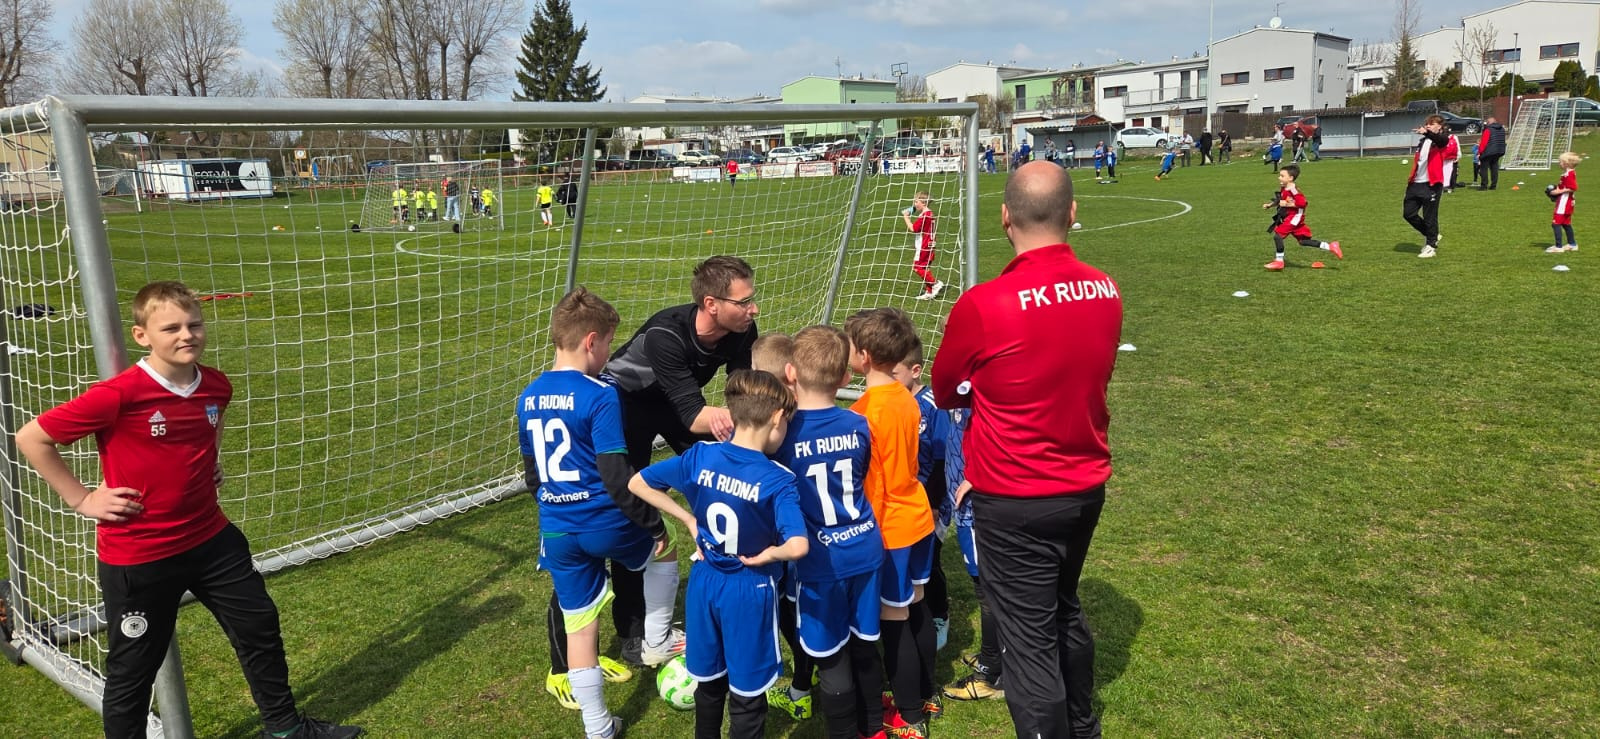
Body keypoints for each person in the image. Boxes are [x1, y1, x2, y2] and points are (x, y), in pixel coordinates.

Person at [14, 281, 364, 739]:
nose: (187, 335)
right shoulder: (120, 394)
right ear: (142, 335)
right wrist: (81, 498)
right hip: (140, 555)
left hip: (211, 540)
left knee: (258, 626)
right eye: (171, 328)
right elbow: (32, 437)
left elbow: (210, 425)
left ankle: (285, 730)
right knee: (133, 670)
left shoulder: (216, 384)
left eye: (194, 325)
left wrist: (210, 460)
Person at [930, 161, 1123, 739]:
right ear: (1072, 213)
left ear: (1005, 217)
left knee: (1027, 641)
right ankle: (1082, 726)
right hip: (1084, 486)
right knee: (1062, 608)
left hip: (1016, 496)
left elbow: (947, 390)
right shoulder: (1105, 287)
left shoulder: (984, 303)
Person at [517, 287, 681, 739]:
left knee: (580, 628)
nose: (609, 353)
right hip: (605, 520)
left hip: (557, 529)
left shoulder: (527, 396)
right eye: (609, 343)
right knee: (666, 546)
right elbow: (615, 474)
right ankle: (656, 640)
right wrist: (652, 525)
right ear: (591, 341)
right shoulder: (600, 394)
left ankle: (598, 729)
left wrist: (557, 512)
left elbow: (533, 478)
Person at [628, 370, 808, 739]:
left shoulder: (700, 455)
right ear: (777, 417)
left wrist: (688, 519)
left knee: (709, 685)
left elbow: (637, 482)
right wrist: (771, 554)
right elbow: (799, 546)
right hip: (749, 589)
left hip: (704, 583)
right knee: (748, 696)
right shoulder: (778, 480)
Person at [602, 256, 758, 663]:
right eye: (743, 302)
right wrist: (745, 424)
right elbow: (693, 416)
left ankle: (737, 574)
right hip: (627, 406)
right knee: (633, 511)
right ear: (711, 304)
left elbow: (740, 394)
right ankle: (633, 630)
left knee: (728, 473)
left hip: (676, 403)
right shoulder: (665, 335)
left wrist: (752, 426)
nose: (753, 309)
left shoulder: (742, 329)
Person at [771, 325, 886, 739]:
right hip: (865, 549)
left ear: (790, 372)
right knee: (864, 644)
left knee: (832, 656)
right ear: (845, 377)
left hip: (820, 563)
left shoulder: (782, 435)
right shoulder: (859, 424)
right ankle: (874, 727)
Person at [846, 308, 936, 739]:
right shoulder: (906, 395)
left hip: (890, 528)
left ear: (863, 355)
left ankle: (911, 715)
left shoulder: (864, 412)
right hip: (917, 516)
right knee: (916, 604)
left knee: (893, 619)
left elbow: (871, 485)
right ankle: (924, 693)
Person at [748, 333, 815, 722]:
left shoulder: (778, 430)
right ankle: (813, 668)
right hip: (823, 534)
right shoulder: (814, 413)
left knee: (791, 610)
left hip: (790, 540)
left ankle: (802, 688)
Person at [939, 405, 1004, 703]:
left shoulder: (985, 392)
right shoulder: (964, 391)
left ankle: (990, 674)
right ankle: (994, 655)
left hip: (978, 508)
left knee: (988, 590)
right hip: (967, 507)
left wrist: (979, 474)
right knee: (986, 587)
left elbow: (1002, 432)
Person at [892, 336, 950, 652]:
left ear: (915, 371)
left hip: (931, 501)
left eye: (894, 374)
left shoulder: (932, 405)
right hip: (905, 502)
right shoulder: (895, 402)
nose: (889, 379)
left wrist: (935, 503)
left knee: (932, 559)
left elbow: (942, 459)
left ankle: (939, 616)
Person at [1261, 164, 1344, 271]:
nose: (1279, 178)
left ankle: (1279, 261)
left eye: (1282, 176)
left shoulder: (1294, 190)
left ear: (1290, 178)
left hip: (1295, 217)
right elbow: (1281, 199)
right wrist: (1270, 205)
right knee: (1303, 241)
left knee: (1278, 236)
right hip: (1290, 217)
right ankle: (1331, 246)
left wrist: (1287, 204)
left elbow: (1303, 203)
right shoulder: (1284, 188)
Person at [1404, 114, 1451, 258]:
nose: (1428, 126)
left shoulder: (1441, 140)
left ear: (1440, 127)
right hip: (1415, 183)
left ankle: (1431, 246)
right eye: (1427, 124)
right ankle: (1433, 235)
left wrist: (1427, 133)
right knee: (1408, 214)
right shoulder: (1423, 141)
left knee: (1430, 216)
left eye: (1432, 124)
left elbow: (1441, 140)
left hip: (1431, 184)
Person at [903, 192, 945, 300]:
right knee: (925, 268)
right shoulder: (929, 213)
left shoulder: (925, 216)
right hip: (929, 244)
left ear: (924, 203)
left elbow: (913, 229)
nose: (914, 204)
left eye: (916, 201)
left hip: (924, 245)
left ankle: (935, 284)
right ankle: (929, 292)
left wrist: (906, 217)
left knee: (917, 267)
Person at [1545, 151, 1580, 253]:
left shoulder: (1569, 174)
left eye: (1560, 162)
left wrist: (1558, 192)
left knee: (1556, 223)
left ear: (1566, 163)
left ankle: (1558, 247)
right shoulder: (1567, 173)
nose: (1559, 163)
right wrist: (1556, 189)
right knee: (1565, 223)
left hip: (1564, 203)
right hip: (1567, 202)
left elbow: (1573, 187)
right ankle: (1572, 244)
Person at [1477, 116, 1507, 190]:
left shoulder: (1488, 130)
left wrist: (1480, 152)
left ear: (1488, 123)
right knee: (1494, 167)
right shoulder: (1502, 129)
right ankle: (1493, 185)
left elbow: (1484, 142)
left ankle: (1484, 185)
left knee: (1484, 168)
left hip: (1489, 151)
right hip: (1498, 151)